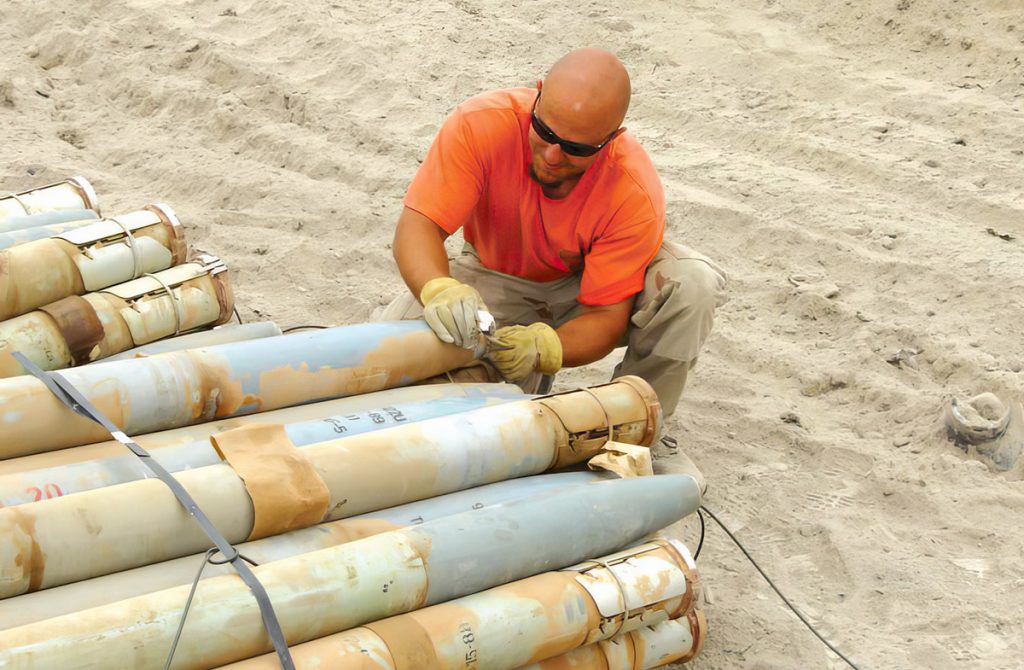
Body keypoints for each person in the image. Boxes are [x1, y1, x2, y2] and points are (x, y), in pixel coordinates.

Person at [380, 48, 727, 416]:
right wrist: (439, 289)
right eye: (544, 131)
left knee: (691, 284)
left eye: (576, 148)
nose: (552, 156)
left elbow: (606, 317)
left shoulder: (631, 189)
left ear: (612, 138)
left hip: (589, 292)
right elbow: (419, 225)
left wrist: (547, 347)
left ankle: (638, 420)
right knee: (388, 370)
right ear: (539, 93)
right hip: (497, 274)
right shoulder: (481, 124)